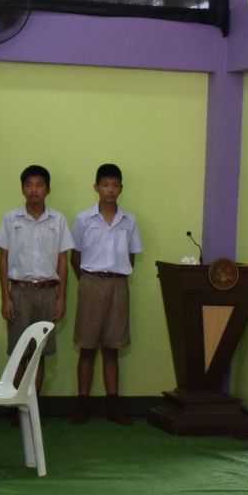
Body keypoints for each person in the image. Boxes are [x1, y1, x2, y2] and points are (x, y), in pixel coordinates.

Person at [71, 163, 142, 423]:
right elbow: (75, 256)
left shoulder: (129, 221)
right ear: (96, 187)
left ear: (121, 189)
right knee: (87, 347)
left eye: (114, 185)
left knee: (113, 347)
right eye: (105, 185)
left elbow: (131, 257)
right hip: (90, 282)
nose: (110, 190)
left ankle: (113, 404)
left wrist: (115, 277)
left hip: (118, 285)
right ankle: (82, 404)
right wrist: (88, 281)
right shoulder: (83, 219)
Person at [0, 164, 71, 395]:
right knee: (19, 352)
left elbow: (63, 261)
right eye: (29, 185)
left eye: (39, 185)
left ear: (48, 189)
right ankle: (15, 404)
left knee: (40, 353)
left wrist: (61, 299)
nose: (34, 190)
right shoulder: (11, 219)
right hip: (19, 293)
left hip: (48, 292)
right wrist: (5, 298)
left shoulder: (58, 220)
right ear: (22, 189)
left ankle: (33, 405)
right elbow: (3, 260)